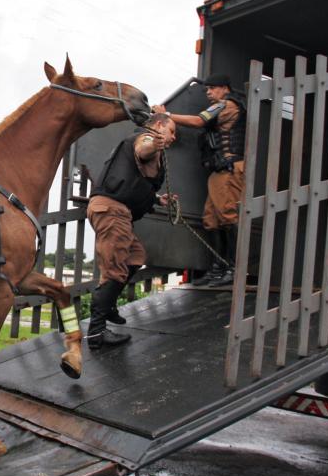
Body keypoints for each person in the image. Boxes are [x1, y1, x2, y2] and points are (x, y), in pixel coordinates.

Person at [86, 112, 177, 349]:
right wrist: (155, 142)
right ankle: (96, 333)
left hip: (118, 212)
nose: (174, 137)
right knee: (114, 269)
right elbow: (143, 148)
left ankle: (109, 306)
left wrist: (158, 199)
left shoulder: (147, 142)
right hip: (112, 211)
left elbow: (134, 179)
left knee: (136, 257)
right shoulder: (145, 138)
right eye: (172, 131)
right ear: (159, 125)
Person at [153, 73, 245, 287]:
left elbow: (198, 121)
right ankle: (218, 267)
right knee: (211, 218)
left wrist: (167, 115)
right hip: (219, 171)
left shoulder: (227, 104)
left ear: (224, 88)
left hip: (229, 170)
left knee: (227, 216)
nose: (208, 93)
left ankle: (232, 267)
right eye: (206, 89)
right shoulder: (221, 105)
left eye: (211, 89)